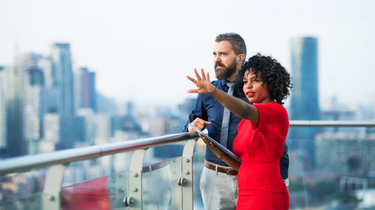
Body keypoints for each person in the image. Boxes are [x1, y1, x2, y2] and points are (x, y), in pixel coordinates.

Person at [183, 33, 289, 209]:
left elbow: (246, 111)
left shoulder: (265, 107)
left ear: (240, 58)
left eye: (223, 54)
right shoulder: (240, 117)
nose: (217, 59)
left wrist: (213, 91)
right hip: (225, 181)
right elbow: (191, 123)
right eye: (214, 54)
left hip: (262, 190)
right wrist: (198, 132)